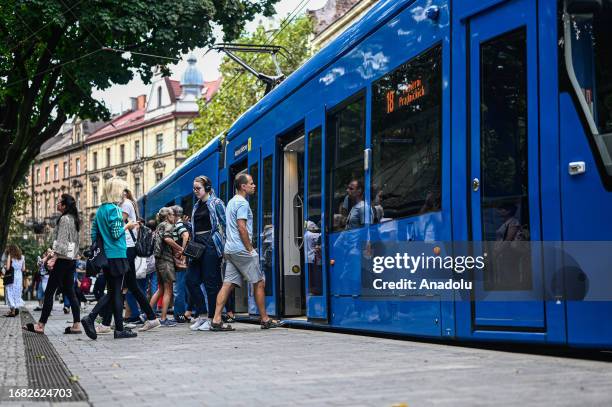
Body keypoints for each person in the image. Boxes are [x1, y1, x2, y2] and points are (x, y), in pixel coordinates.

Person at [211, 173, 283, 331]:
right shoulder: (242, 203)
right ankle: (265, 319)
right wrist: (250, 249)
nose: (254, 185)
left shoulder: (231, 202)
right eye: (251, 183)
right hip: (241, 249)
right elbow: (241, 226)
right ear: (243, 186)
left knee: (227, 284)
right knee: (259, 282)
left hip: (229, 249)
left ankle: (216, 320)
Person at [80, 178, 138, 340]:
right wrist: (127, 226)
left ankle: (119, 329)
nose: (123, 194)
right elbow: (115, 233)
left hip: (106, 256)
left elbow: (93, 233)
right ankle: (91, 317)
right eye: (122, 190)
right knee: (115, 292)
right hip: (117, 255)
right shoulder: (114, 210)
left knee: (115, 292)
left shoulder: (100, 210)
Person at [97, 189, 160, 333]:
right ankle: (151, 318)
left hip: (126, 249)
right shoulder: (122, 205)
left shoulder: (125, 205)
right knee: (128, 286)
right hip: (125, 249)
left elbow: (118, 226)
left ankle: (106, 323)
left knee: (118, 287)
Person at [24, 195, 81, 334]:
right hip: (71, 260)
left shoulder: (64, 219)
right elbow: (71, 245)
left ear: (65, 206)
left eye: (59, 202)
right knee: (70, 292)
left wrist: (52, 258)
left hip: (62, 261)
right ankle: (76, 324)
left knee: (49, 292)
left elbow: (61, 244)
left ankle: (41, 325)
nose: (57, 203)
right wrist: (50, 256)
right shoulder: (74, 219)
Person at [187, 176, 226, 331]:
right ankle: (202, 315)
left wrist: (224, 246)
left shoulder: (217, 203)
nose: (195, 191)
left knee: (211, 283)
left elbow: (225, 225)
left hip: (210, 244)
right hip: (197, 246)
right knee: (191, 280)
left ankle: (211, 318)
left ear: (207, 188)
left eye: (198, 188)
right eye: (194, 188)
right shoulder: (196, 205)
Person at [150, 207, 183, 326]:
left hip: (158, 260)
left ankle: (148, 314)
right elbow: (167, 239)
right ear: (168, 216)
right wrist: (180, 248)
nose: (175, 217)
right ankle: (163, 318)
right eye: (173, 215)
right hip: (166, 261)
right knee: (168, 290)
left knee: (161, 289)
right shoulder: (168, 225)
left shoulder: (159, 226)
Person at [171, 205, 190, 323]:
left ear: (174, 215)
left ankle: (179, 314)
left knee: (178, 289)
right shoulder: (181, 224)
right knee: (181, 287)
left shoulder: (178, 225)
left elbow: (185, 235)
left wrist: (182, 250)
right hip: (182, 261)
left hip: (180, 262)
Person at [3, 244, 25, 317]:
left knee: (10, 292)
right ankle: (14, 309)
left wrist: (5, 266)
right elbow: (23, 269)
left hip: (12, 276)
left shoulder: (10, 257)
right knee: (17, 292)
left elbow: (8, 268)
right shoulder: (22, 257)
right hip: (19, 276)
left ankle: (13, 311)